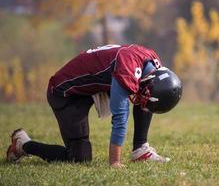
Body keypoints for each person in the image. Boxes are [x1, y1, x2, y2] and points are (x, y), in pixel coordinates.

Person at [6, 44, 182, 168]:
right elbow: (120, 118)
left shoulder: (152, 64)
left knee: (145, 98)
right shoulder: (127, 68)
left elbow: (144, 94)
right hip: (66, 93)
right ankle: (23, 144)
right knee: (79, 158)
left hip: (95, 86)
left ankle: (140, 150)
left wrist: (145, 99)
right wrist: (114, 162)